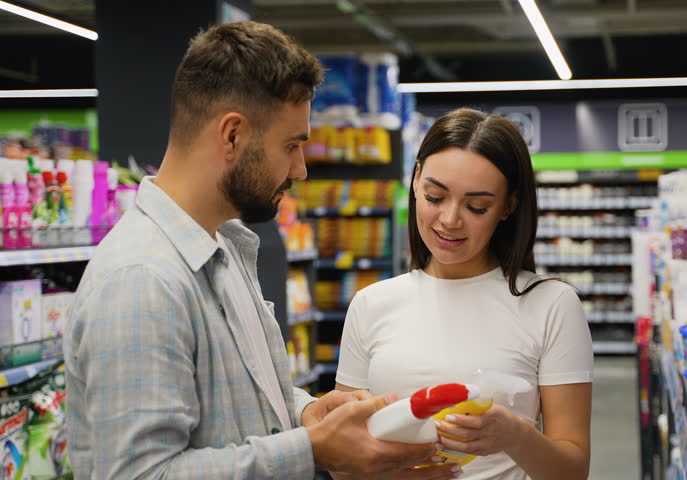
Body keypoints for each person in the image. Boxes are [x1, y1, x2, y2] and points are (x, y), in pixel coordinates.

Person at [64, 21, 455, 480]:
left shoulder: (222, 248)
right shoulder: (142, 280)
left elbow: (235, 397)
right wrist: (312, 450)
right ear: (233, 135)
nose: (301, 169)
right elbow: (141, 475)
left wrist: (307, 413)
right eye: (291, 145)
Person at [335, 108, 594, 480]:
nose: (450, 219)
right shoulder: (371, 304)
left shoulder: (551, 304)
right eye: (435, 196)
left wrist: (513, 434)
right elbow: (341, 456)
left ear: (509, 205)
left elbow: (572, 471)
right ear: (416, 179)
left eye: (477, 206)